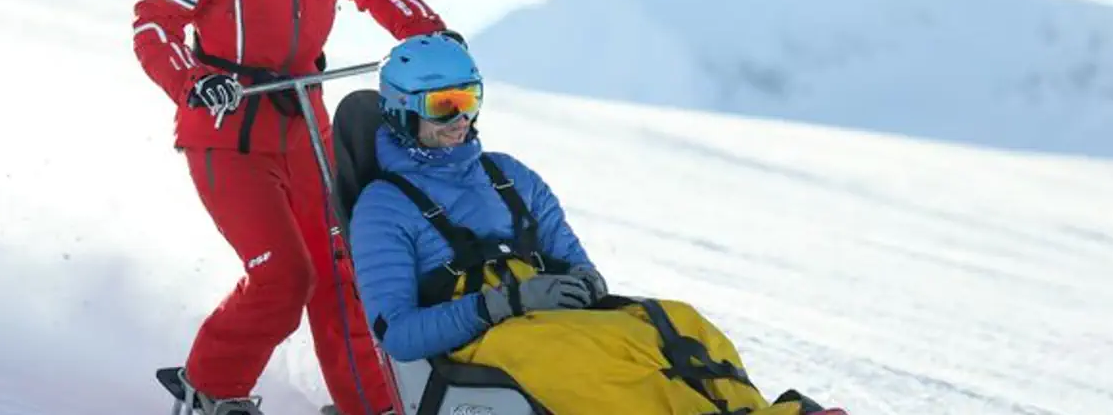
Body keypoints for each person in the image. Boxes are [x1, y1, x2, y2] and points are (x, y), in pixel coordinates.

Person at [344, 34, 850, 415]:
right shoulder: (383, 208)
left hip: (554, 319)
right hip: (480, 339)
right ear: (400, 109)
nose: (462, 119)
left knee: (676, 323)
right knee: (596, 366)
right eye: (443, 106)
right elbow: (399, 335)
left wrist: (581, 284)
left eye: (470, 98)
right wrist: (504, 302)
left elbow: (581, 266)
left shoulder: (509, 175)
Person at [129, 0, 460, 413]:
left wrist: (431, 35)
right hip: (227, 132)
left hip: (305, 126)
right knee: (284, 275)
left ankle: (371, 404)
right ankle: (213, 388)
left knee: (339, 271)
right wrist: (193, 79)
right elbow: (154, 24)